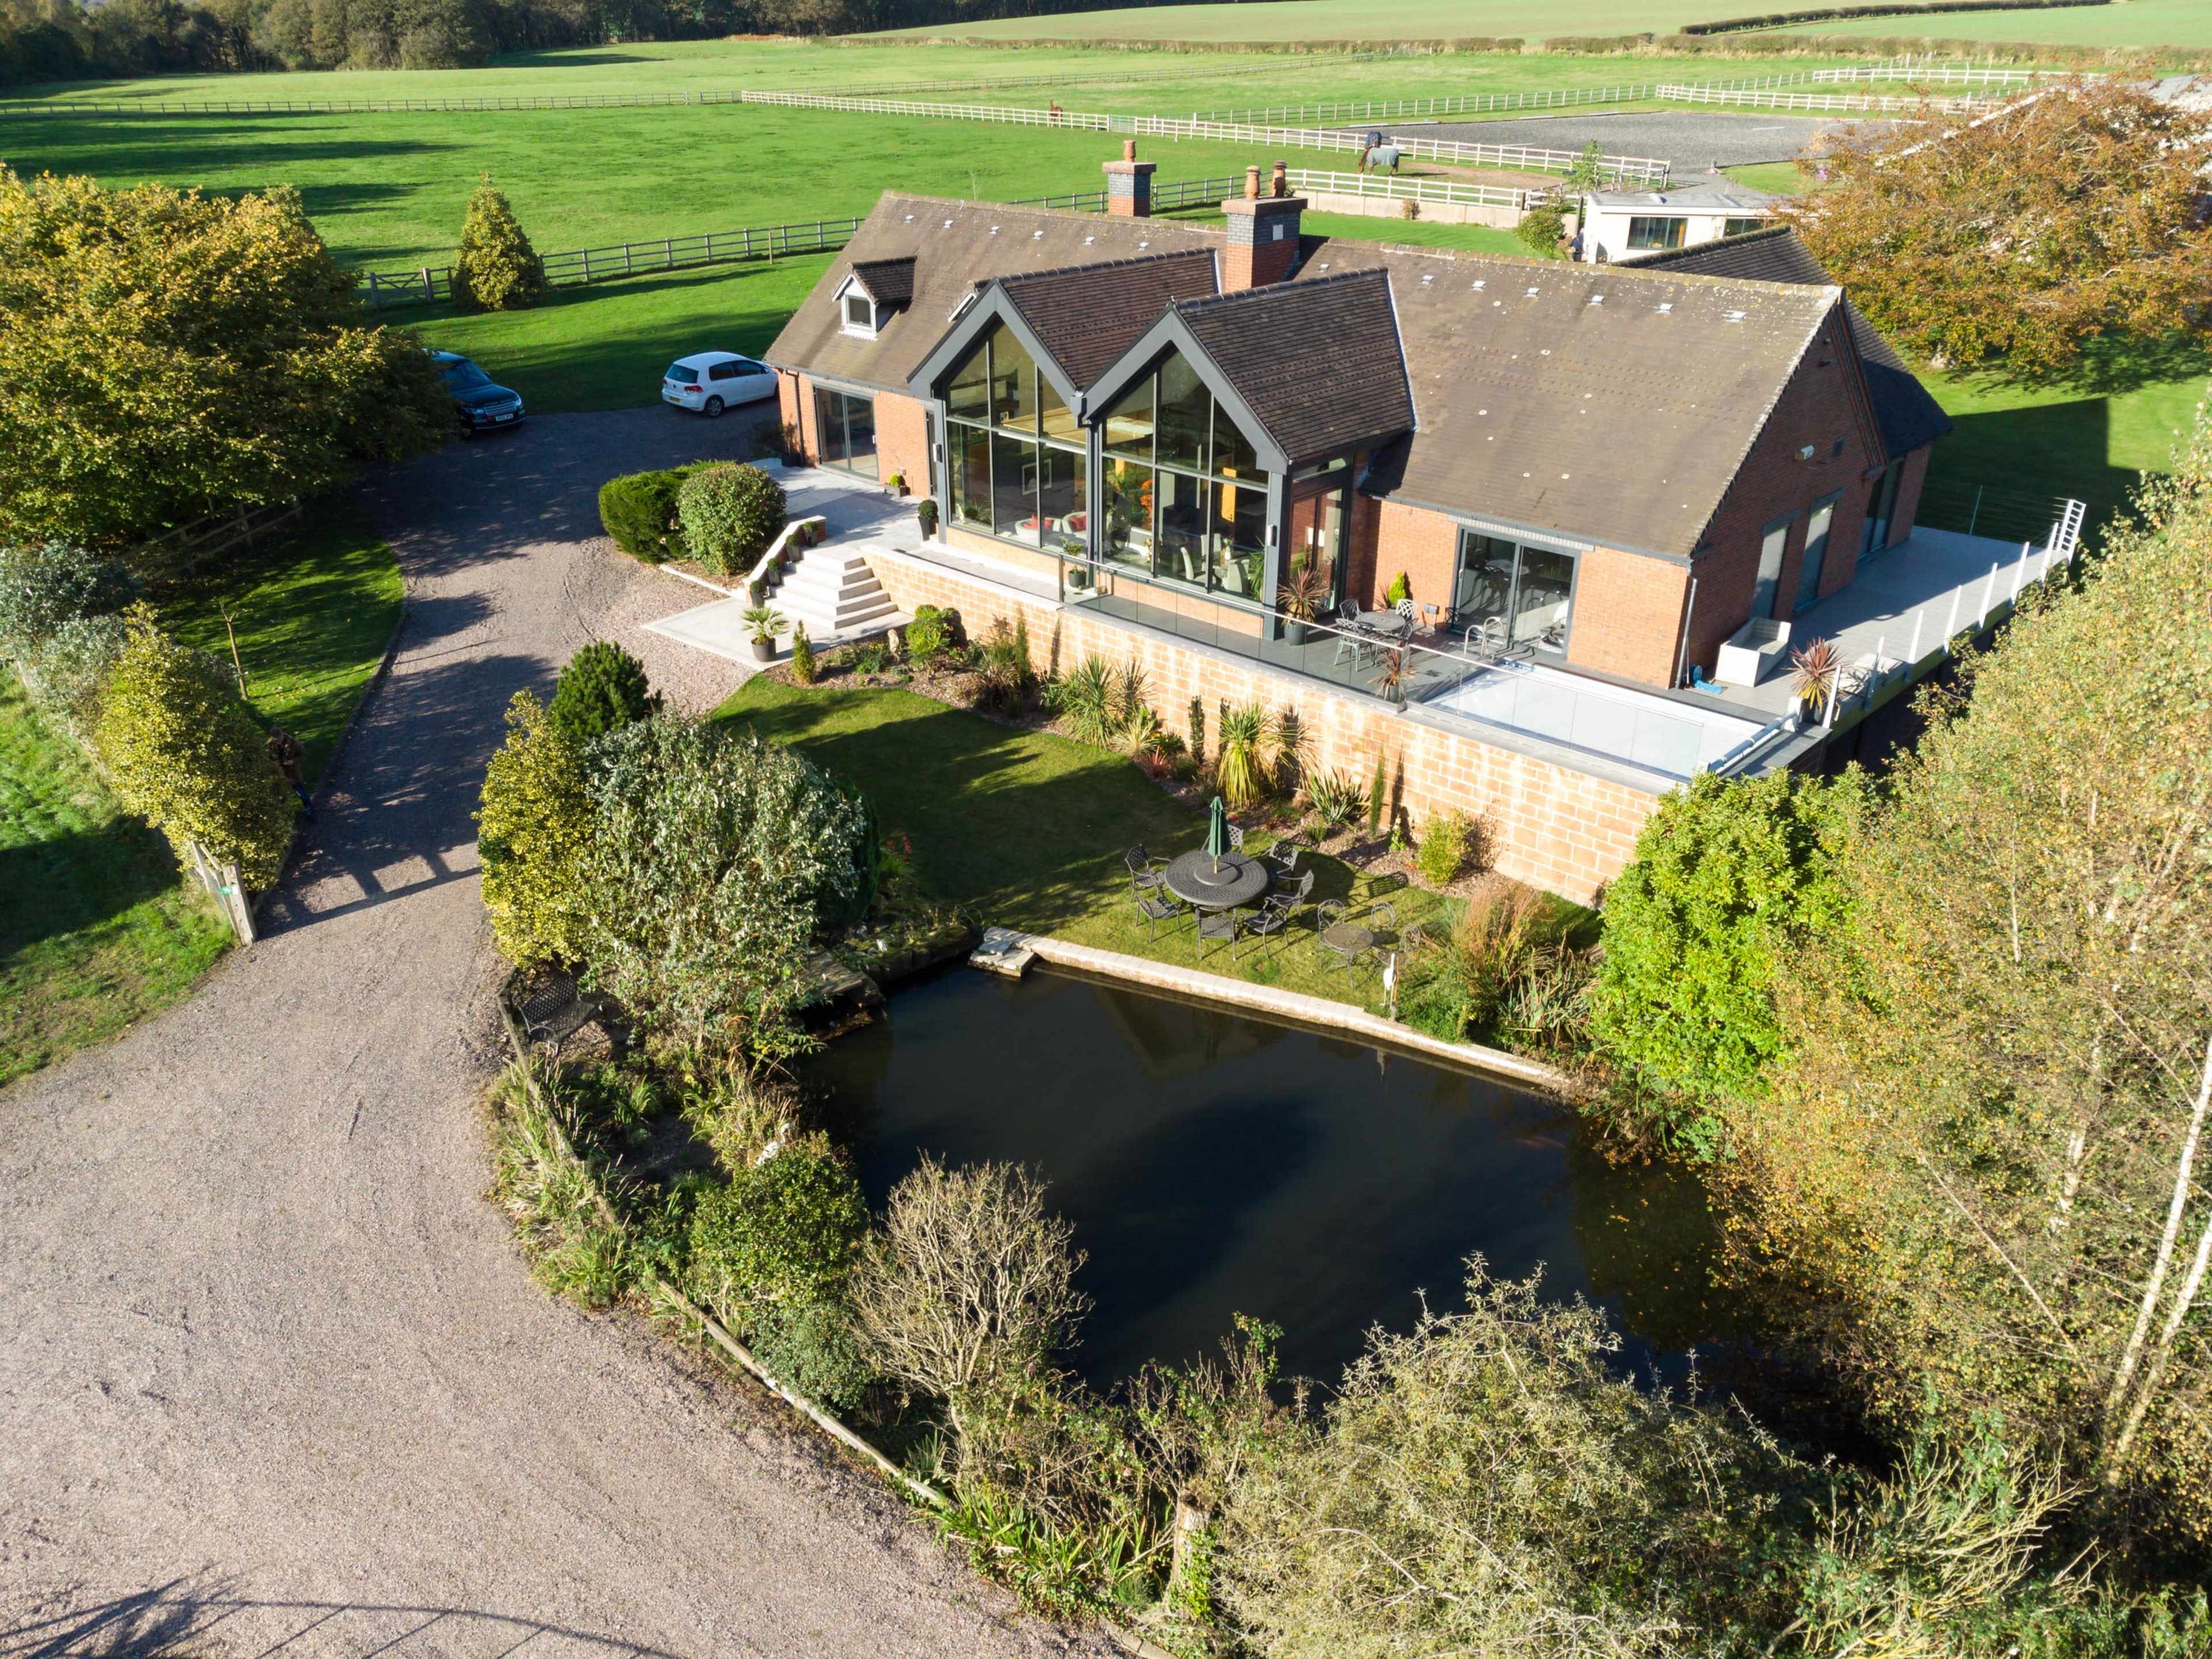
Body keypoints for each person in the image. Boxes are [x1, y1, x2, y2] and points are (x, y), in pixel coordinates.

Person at [267, 726, 315, 821]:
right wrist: (273, 764)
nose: (278, 742)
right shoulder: (269, 746)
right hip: (280, 775)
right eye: (276, 741)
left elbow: (304, 756)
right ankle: (285, 817)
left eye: (279, 740)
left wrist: (293, 761)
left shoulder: (294, 743)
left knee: (303, 795)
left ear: (282, 734)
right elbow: (266, 759)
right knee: (281, 798)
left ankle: (311, 812)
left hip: (294, 774)